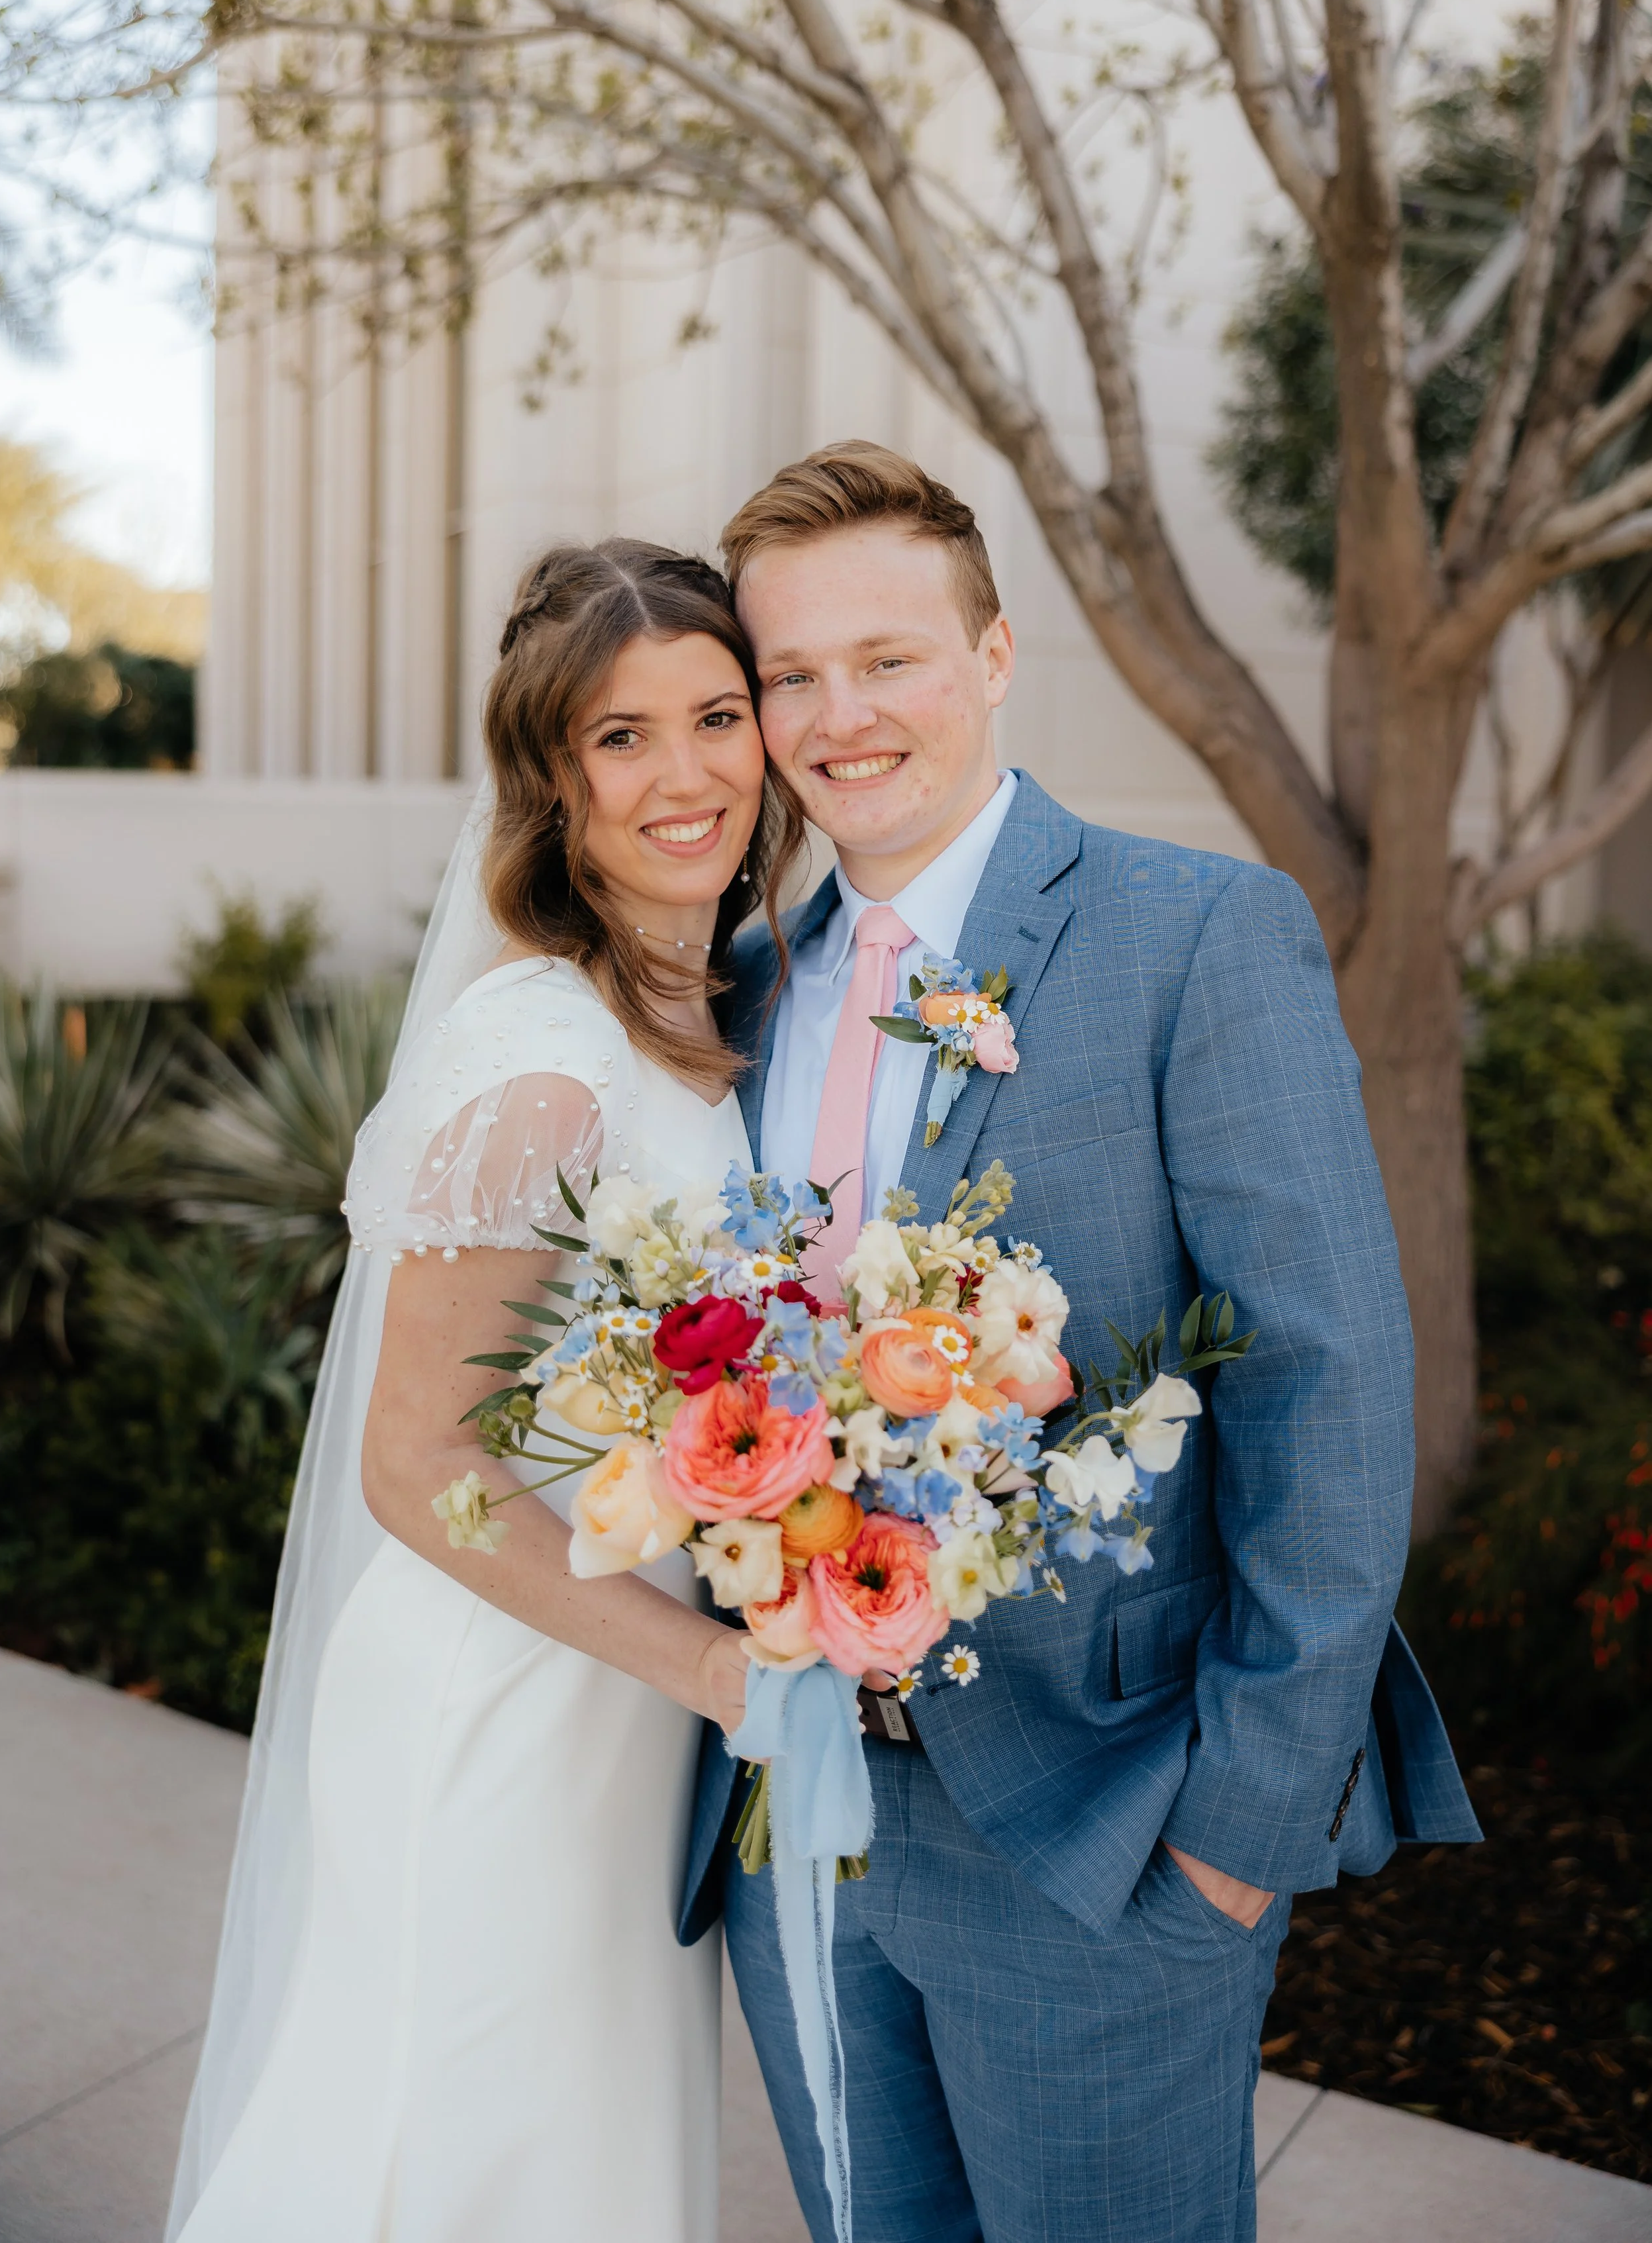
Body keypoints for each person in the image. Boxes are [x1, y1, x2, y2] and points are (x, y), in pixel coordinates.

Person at [682, 442, 1482, 2243]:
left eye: (883, 656)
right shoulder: (739, 986)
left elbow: (1323, 1384)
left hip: (1105, 1834)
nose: (835, 713)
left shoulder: (1195, 931)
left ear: (989, 655)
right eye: (786, 675)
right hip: (787, 1815)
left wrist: (1230, 1839)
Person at [168, 540, 808, 2242]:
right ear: (549, 778)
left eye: (717, 714)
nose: (685, 774)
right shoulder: (544, 1062)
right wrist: (713, 1670)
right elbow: (410, 1459)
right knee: (452, 2142)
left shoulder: (690, 1010)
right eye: (620, 737)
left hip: (617, 1704)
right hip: (499, 1699)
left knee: (569, 2146)